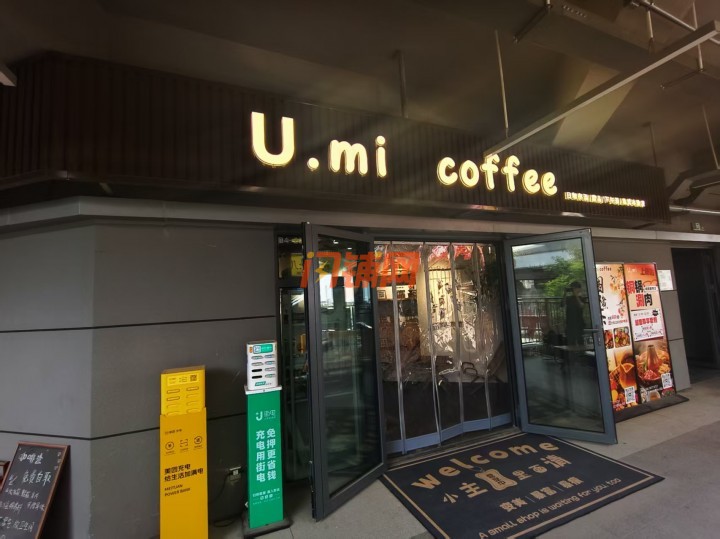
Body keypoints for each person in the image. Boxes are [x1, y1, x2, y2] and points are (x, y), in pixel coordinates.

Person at [564, 281, 587, 346]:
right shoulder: (569, 298)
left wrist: (576, 296)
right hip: (570, 323)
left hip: (579, 323)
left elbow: (581, 305)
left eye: (575, 288)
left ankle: (581, 351)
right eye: (572, 288)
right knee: (571, 342)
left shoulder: (582, 298)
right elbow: (563, 304)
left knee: (580, 341)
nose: (574, 290)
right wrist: (565, 293)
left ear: (579, 289)